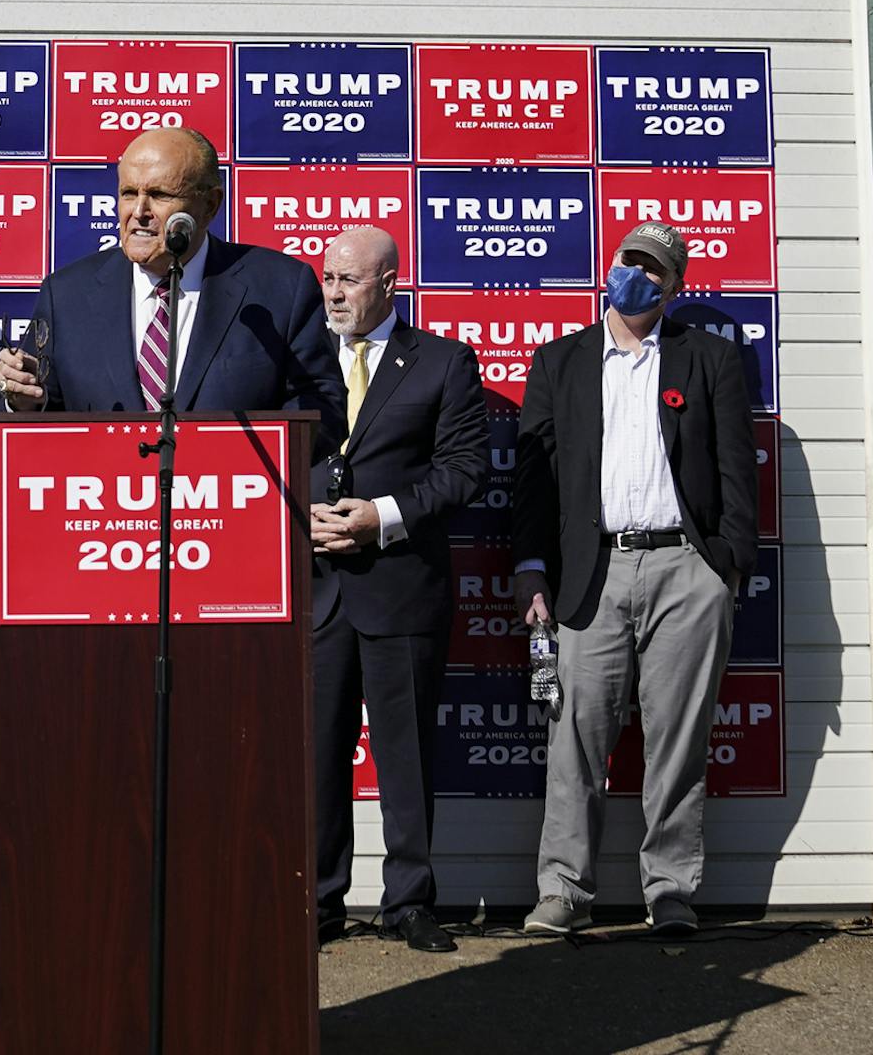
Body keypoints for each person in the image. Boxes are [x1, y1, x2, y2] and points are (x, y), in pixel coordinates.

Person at [513, 222, 757, 938]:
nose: (638, 277)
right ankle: (563, 891)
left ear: (674, 287)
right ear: (609, 265)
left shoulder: (707, 358)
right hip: (591, 571)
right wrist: (532, 569)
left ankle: (670, 889)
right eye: (630, 262)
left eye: (655, 270)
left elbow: (739, 472)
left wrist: (728, 567)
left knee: (678, 739)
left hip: (687, 569)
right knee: (575, 737)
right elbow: (532, 482)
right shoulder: (559, 361)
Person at [308, 228, 486, 953]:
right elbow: (260, 453)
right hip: (315, 589)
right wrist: (304, 520)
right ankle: (318, 901)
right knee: (317, 753)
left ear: (389, 282)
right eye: (327, 278)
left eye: (349, 280)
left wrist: (380, 518)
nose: (335, 292)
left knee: (406, 753)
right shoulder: (297, 361)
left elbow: (464, 470)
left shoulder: (443, 362)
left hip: (402, 588)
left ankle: (410, 901)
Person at [0, 128, 343, 442]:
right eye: (129, 193)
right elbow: (38, 415)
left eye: (159, 195)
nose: (139, 211)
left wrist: (233, 468)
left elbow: (322, 409)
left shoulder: (280, 287)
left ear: (210, 205)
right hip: (103, 506)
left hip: (231, 504)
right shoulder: (65, 295)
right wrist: (23, 403)